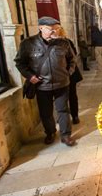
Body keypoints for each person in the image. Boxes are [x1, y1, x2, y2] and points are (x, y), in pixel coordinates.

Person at [14, 16, 77, 146]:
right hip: (42, 86)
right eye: (51, 29)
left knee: (63, 110)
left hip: (62, 83)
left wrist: (68, 73)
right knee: (46, 112)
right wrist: (30, 76)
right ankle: (50, 132)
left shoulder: (63, 43)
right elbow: (20, 63)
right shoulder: (28, 44)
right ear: (41, 28)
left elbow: (72, 60)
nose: (55, 32)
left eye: (57, 29)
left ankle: (66, 135)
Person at [57, 27, 84, 125]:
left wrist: (69, 71)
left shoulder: (66, 43)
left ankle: (73, 116)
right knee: (68, 96)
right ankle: (70, 116)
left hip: (69, 73)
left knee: (70, 95)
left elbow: (73, 56)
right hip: (63, 74)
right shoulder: (67, 42)